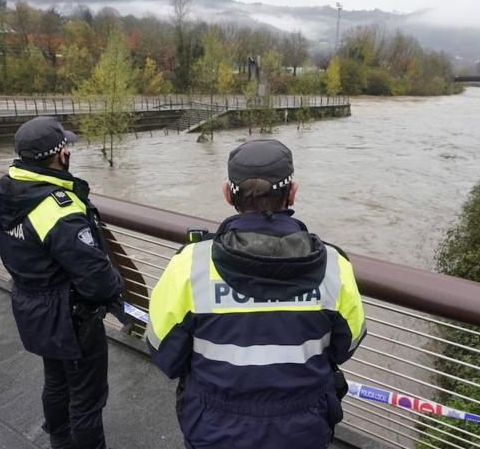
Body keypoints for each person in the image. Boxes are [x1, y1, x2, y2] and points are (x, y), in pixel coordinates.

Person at [146, 139, 366, 449]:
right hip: (302, 431)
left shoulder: (190, 265)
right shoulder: (334, 266)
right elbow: (346, 346)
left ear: (227, 193)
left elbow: (163, 351)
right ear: (293, 192)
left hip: (214, 431)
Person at [0, 116, 123, 449]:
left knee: (56, 381)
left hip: (32, 306)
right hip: (71, 318)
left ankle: (60, 441)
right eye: (66, 146)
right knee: (87, 398)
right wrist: (116, 286)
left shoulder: (6, 193)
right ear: (61, 155)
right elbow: (97, 280)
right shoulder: (59, 210)